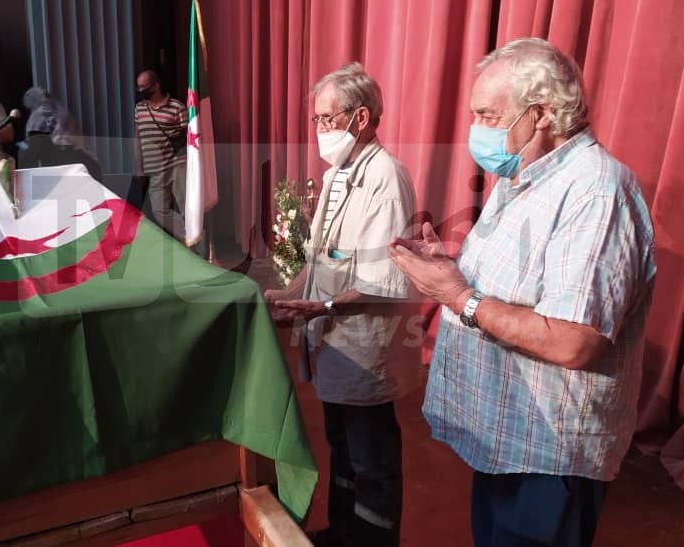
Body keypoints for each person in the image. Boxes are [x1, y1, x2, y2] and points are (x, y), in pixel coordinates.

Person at [389, 38, 656, 547]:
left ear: (541, 114)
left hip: (548, 455)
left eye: (488, 115)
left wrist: (459, 297)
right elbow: (508, 288)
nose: (476, 130)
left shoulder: (597, 192)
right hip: (507, 437)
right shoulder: (522, 176)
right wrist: (449, 270)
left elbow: (574, 341)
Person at [265, 62, 419, 547]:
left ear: (361, 118)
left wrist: (323, 306)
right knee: (341, 447)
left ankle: (372, 542)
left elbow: (383, 280)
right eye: (316, 119)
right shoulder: (337, 174)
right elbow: (322, 257)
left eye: (327, 118)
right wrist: (290, 294)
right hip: (333, 340)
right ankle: (342, 533)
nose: (319, 129)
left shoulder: (386, 178)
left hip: (364, 348)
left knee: (371, 458)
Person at [133, 69, 187, 240]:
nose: (140, 91)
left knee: (187, 208)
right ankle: (191, 236)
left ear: (156, 86)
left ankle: (196, 245)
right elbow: (137, 139)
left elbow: (189, 138)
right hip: (155, 170)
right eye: (138, 87)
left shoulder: (177, 107)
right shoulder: (139, 109)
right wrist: (139, 167)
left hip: (178, 166)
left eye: (144, 87)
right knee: (159, 211)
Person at [18, 87, 101, 178]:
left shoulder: (40, 115)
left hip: (63, 161)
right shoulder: (61, 111)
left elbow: (33, 145)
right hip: (80, 159)